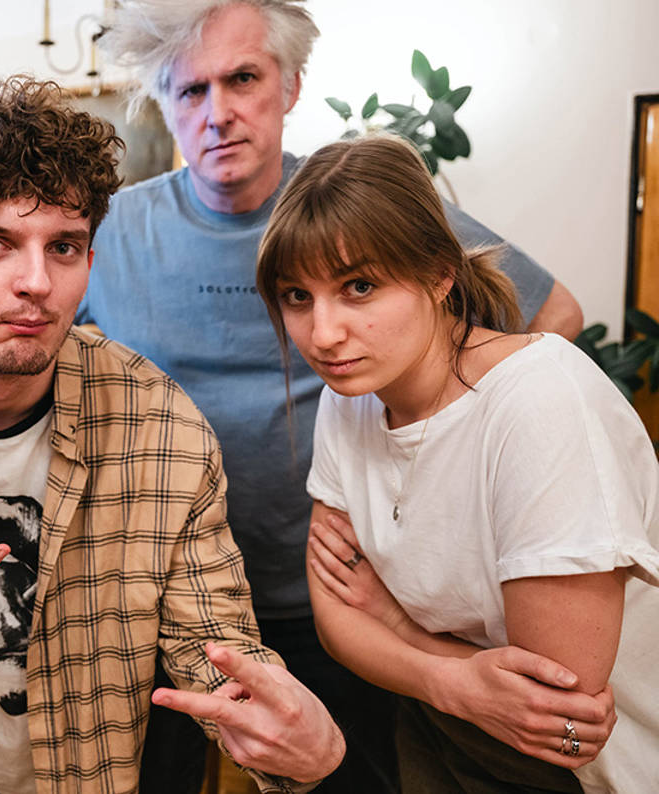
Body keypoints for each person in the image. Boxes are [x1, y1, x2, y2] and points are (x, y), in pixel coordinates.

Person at [79, 1, 587, 789]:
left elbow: (554, 318)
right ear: (166, 105)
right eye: (190, 91)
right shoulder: (109, 234)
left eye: (243, 78)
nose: (219, 113)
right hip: (161, 605)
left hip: (340, 599)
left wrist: (444, 487)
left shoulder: (353, 207)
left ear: (289, 85)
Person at [0, 74, 344, 794]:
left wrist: (285, 733)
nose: (36, 283)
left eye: (65, 248)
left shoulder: (159, 423)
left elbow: (213, 637)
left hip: (107, 758)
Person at [255, 132, 658, 793]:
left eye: (359, 287)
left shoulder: (539, 401)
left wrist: (393, 626)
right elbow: (335, 617)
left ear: (440, 274)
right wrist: (455, 679)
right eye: (297, 295)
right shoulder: (350, 399)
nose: (322, 335)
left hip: (587, 774)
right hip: (443, 739)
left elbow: (553, 702)